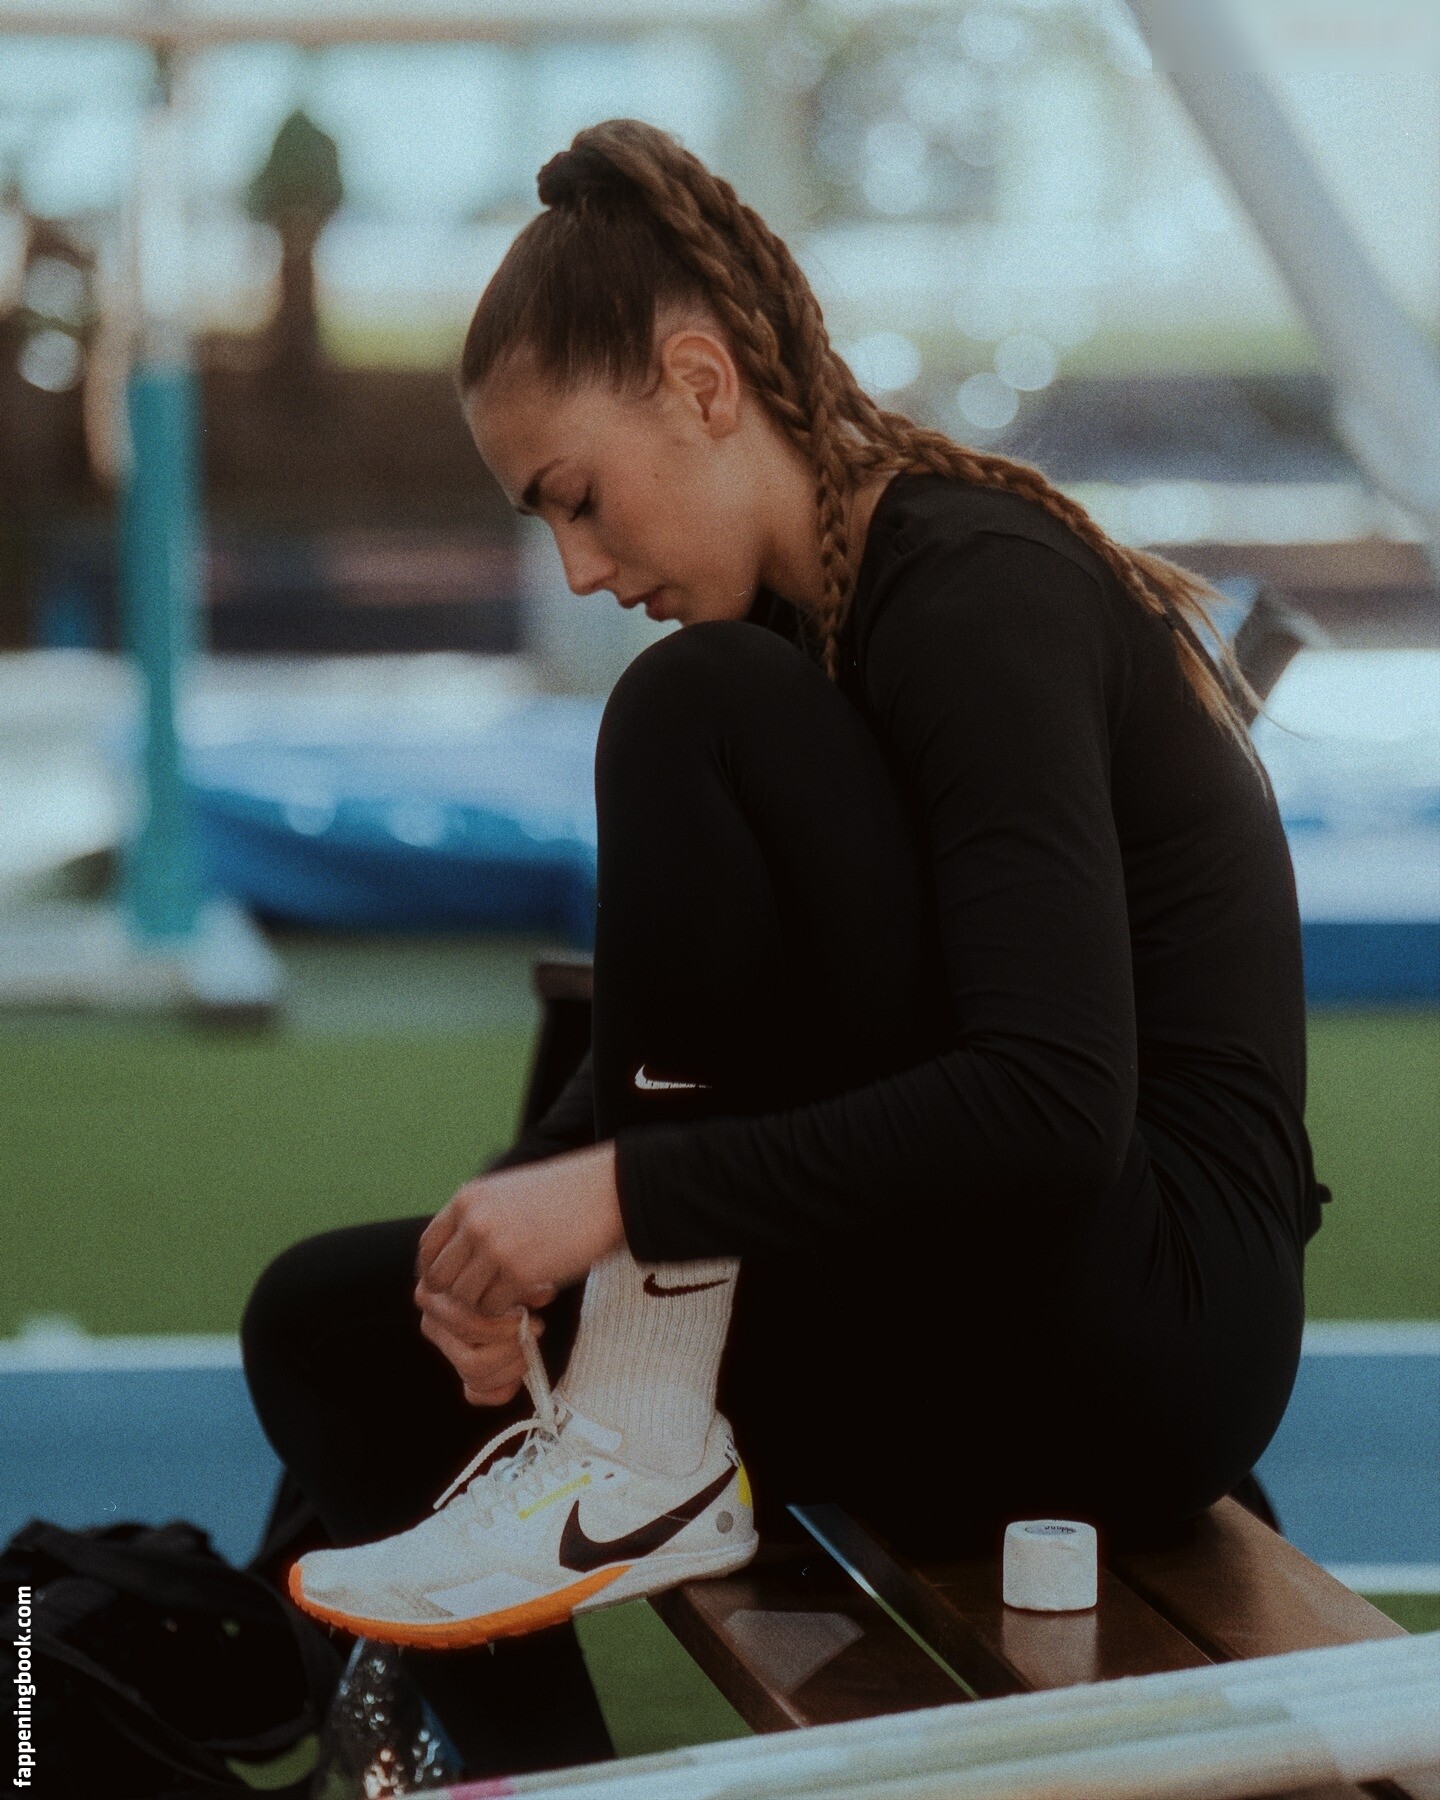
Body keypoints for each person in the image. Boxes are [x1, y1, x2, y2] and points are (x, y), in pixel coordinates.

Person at [240, 117, 1329, 1777]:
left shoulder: (969, 592)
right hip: (959, 1294)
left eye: (578, 500)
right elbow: (676, 1056)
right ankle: (566, 1766)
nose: (578, 568)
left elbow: (1050, 1107)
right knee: (333, 1329)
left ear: (701, 382)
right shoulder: (787, 632)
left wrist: (618, 1198)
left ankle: (638, 1430)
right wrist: (504, 1238)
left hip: (1146, 1341)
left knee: (692, 701)